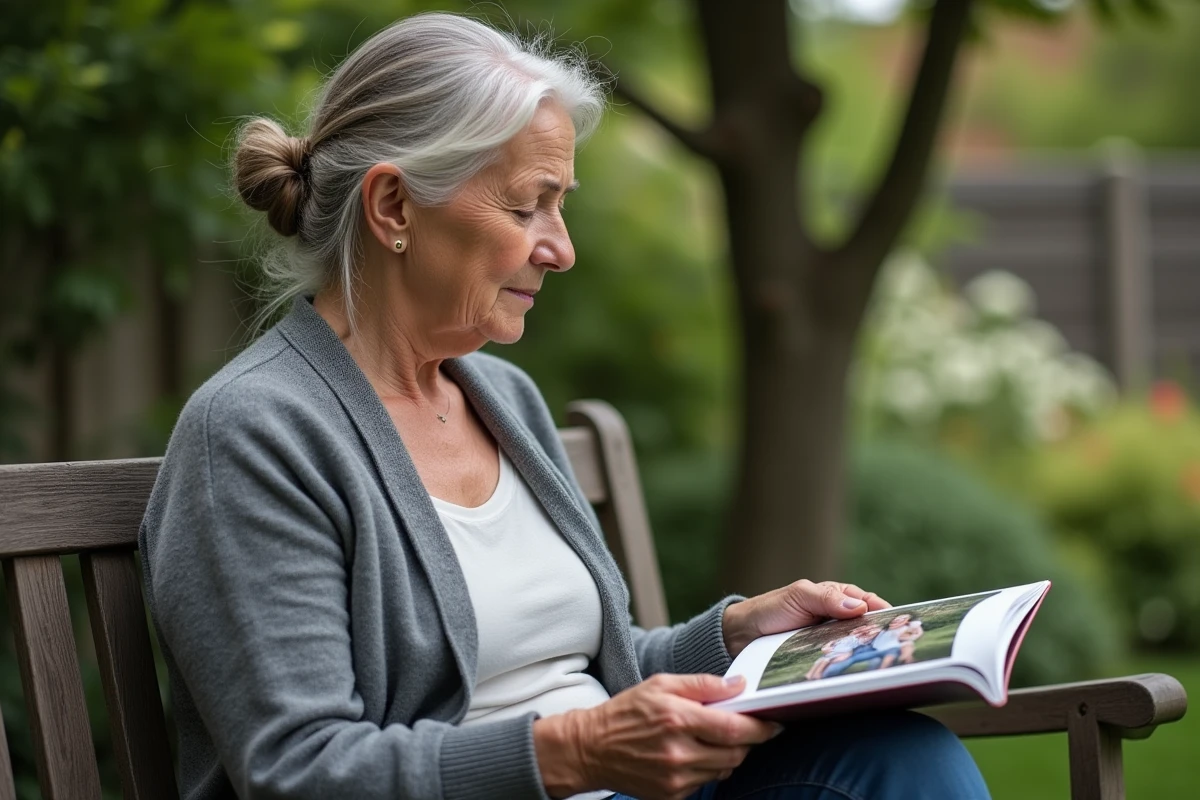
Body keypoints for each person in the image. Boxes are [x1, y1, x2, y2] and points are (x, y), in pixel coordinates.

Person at [138, 12, 991, 800]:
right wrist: (571, 753)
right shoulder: (255, 434)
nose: (561, 248)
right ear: (395, 205)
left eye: (561, 204)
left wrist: (736, 633)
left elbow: (593, 670)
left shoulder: (500, 396)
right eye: (526, 204)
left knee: (905, 756)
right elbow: (301, 769)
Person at [806, 623, 882, 681]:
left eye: (870, 630)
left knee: (828, 658)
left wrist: (871, 632)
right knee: (824, 658)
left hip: (843, 649)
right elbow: (835, 642)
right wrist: (829, 645)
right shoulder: (849, 637)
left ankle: (817, 673)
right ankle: (812, 673)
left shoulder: (861, 640)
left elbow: (862, 641)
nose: (866, 630)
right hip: (839, 647)